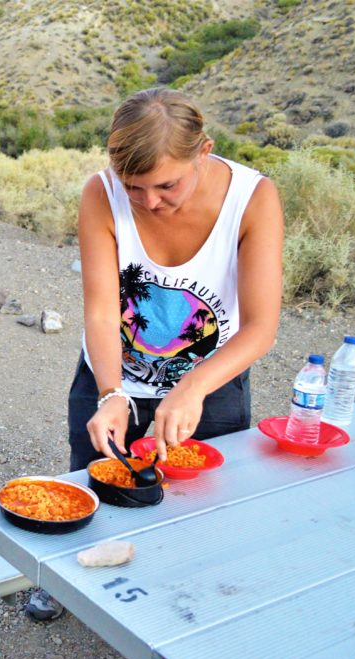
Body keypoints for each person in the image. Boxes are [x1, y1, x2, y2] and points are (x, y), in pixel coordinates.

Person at [26, 88, 284, 621]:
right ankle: (74, 581)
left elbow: (260, 327)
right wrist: (111, 392)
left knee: (200, 505)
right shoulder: (101, 193)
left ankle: (182, 604)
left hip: (212, 383)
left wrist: (191, 388)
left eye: (167, 184)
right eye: (134, 187)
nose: (149, 202)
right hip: (111, 373)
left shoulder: (253, 200)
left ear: (204, 150)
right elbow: (101, 311)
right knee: (93, 481)